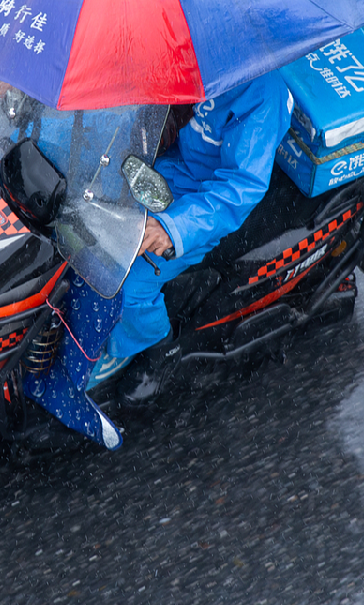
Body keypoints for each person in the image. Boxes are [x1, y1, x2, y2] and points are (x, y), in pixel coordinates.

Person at [87, 69, 293, 386]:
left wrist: (171, 228)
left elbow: (240, 186)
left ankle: (153, 348)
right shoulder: (194, 45)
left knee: (124, 283)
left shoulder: (263, 89)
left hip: (199, 202)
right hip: (161, 164)